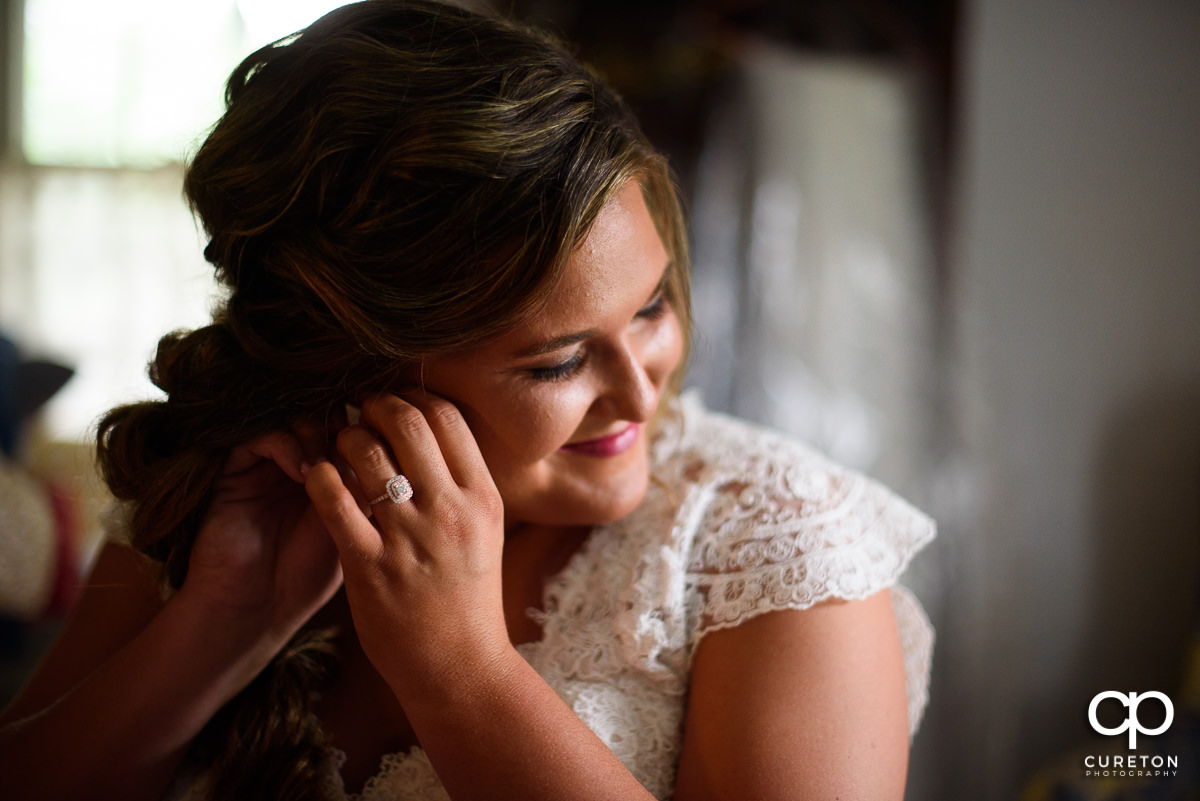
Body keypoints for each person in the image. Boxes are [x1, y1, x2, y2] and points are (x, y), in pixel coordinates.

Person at [0, 1, 935, 799]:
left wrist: (463, 674)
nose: (641, 386)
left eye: (651, 305)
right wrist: (223, 627)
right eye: (556, 363)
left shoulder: (775, 547)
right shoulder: (218, 504)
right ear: (357, 369)